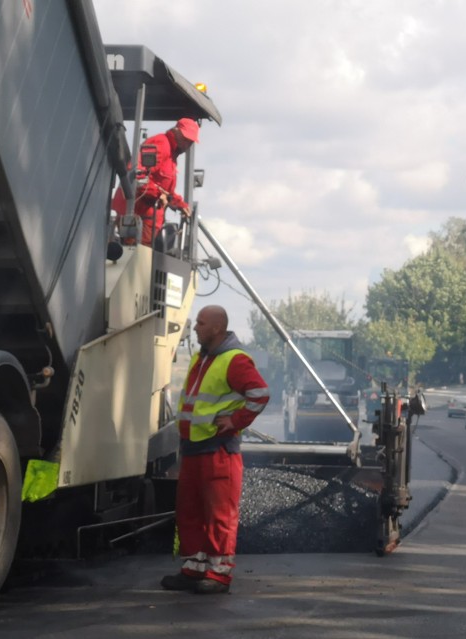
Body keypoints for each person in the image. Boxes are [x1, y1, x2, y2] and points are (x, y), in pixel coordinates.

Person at [161, 305, 270, 595]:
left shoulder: (233, 360)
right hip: (195, 449)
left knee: (219, 515)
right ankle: (195, 569)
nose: (194, 327)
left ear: (217, 328)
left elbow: (260, 393)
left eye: (201, 322)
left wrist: (235, 421)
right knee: (191, 512)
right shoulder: (204, 357)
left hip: (218, 451)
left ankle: (219, 574)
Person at [112, 118, 199, 246]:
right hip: (135, 218)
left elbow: (166, 191)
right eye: (185, 139)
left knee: (144, 257)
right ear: (176, 131)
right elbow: (137, 174)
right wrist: (158, 194)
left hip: (146, 222)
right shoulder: (161, 143)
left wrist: (181, 204)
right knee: (134, 257)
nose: (187, 144)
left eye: (190, 141)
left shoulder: (172, 155)